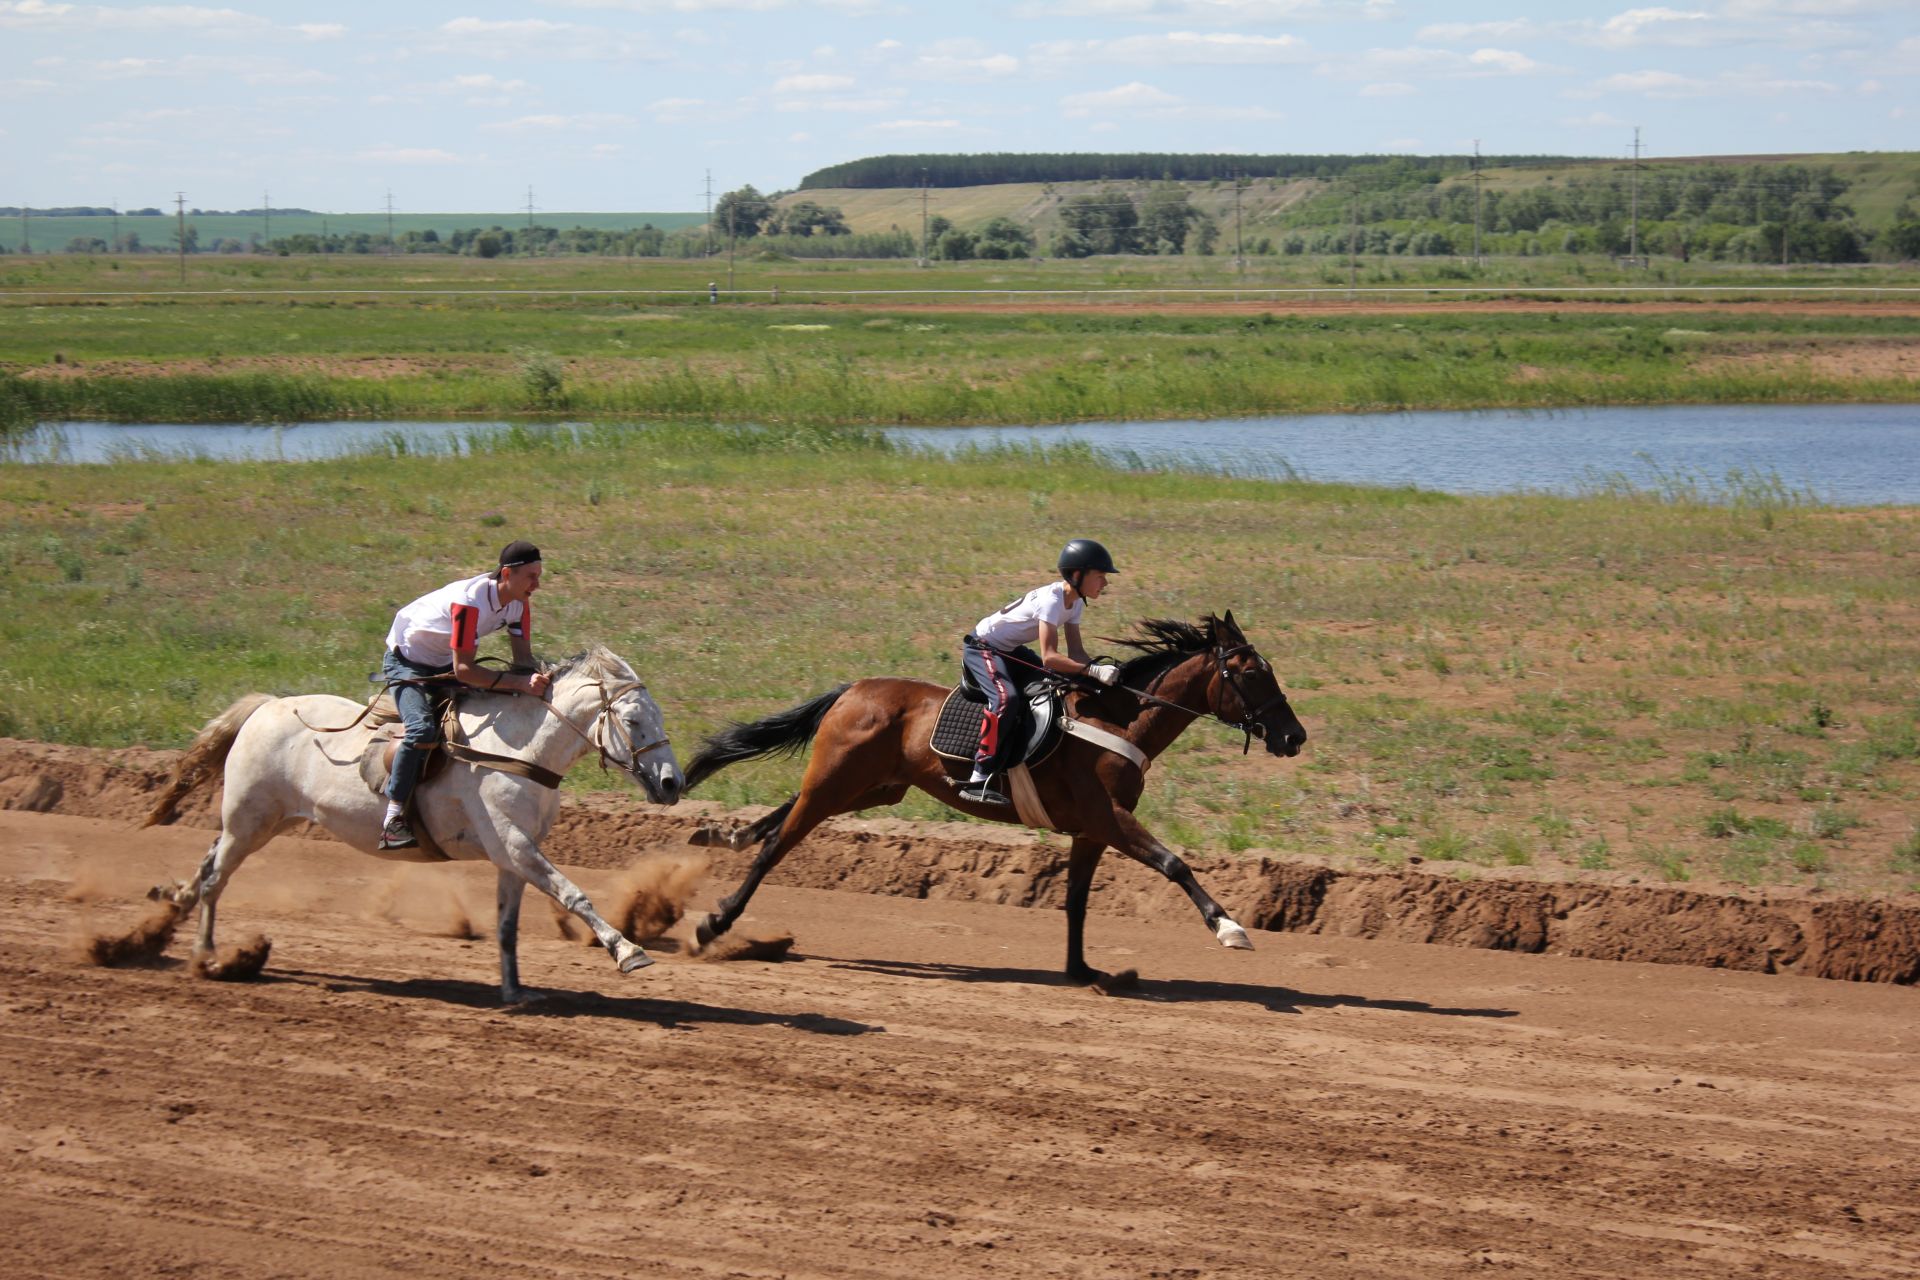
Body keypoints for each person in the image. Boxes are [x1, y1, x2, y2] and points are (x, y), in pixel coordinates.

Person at [377, 540, 552, 850]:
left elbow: (523, 661)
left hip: (443, 660)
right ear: (508, 574)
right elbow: (466, 672)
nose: (537, 585)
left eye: (539, 576)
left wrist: (542, 679)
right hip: (408, 663)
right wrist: (521, 684)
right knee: (421, 729)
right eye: (531, 576)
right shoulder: (469, 604)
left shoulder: (518, 603)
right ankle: (393, 820)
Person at [958, 538, 1123, 807]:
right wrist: (1092, 670)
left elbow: (1076, 654)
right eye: (1101, 576)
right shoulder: (1052, 601)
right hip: (983, 648)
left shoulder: (1076, 602)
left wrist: (1099, 673)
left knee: (1055, 683)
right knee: (1005, 699)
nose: (1105, 583)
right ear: (1078, 575)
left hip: (1009, 650)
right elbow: (1050, 656)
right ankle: (978, 777)